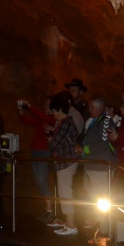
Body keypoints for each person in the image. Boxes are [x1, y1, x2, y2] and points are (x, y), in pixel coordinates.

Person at [45, 94, 79, 236]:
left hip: (66, 162)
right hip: (64, 162)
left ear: (59, 109)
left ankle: (71, 225)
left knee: (66, 193)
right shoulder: (64, 123)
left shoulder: (65, 123)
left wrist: (50, 138)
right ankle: (68, 223)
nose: (53, 114)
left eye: (54, 111)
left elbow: (54, 144)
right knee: (64, 192)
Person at [82, 98, 117, 235]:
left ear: (99, 108)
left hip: (101, 166)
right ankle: (100, 223)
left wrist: (84, 149)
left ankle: (105, 229)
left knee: (102, 197)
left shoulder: (106, 121)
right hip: (93, 165)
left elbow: (102, 144)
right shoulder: (95, 122)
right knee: (94, 195)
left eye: (91, 107)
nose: (89, 109)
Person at [17, 98, 56, 223]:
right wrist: (20, 111)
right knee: (40, 182)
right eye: (45, 104)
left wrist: (30, 106)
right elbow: (27, 121)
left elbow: (43, 117)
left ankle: (50, 211)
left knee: (43, 181)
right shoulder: (43, 119)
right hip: (36, 152)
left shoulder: (53, 119)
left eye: (48, 105)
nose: (46, 106)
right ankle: (48, 209)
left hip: (44, 153)